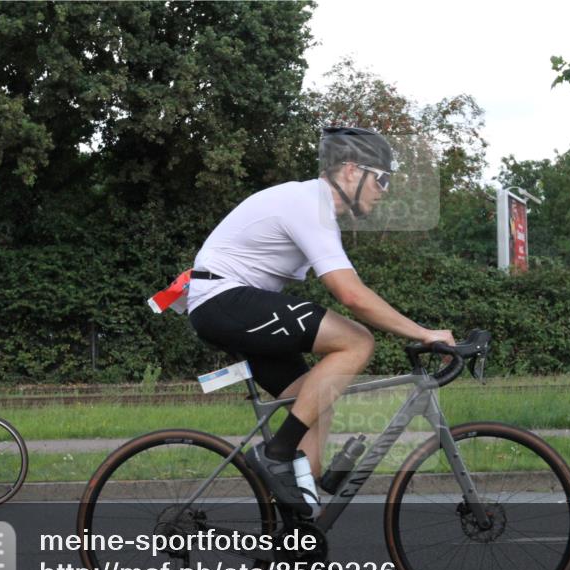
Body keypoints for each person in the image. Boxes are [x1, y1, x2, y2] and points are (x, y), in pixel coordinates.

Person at [187, 127, 454, 518]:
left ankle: (302, 531)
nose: (384, 190)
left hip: (227, 304)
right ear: (350, 170)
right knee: (357, 341)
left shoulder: (314, 208)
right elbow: (350, 294)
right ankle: (275, 454)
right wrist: (423, 333)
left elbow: (347, 286)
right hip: (222, 299)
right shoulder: (307, 202)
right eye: (381, 178)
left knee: (314, 402)